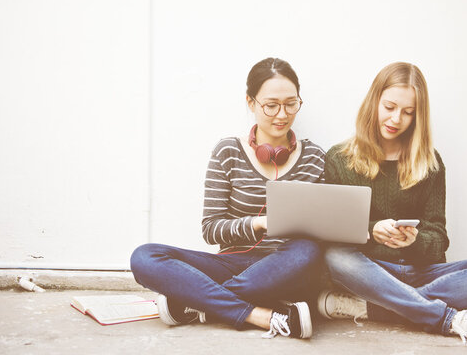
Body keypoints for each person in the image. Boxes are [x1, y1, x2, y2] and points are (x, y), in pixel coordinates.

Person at [317, 62, 467, 343]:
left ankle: (377, 309)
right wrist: (372, 230)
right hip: (372, 273)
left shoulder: (430, 163)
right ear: (374, 101)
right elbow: (333, 232)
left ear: (418, 116)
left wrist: (413, 241)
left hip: (423, 273)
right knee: (334, 257)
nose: (396, 119)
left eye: (408, 112)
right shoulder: (339, 158)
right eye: (389, 107)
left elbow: (439, 239)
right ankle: (447, 318)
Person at [130, 57, 326, 339]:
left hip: (286, 267)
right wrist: (258, 224)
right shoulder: (227, 152)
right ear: (251, 102)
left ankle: (195, 304)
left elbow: (324, 230)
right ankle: (263, 315)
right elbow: (210, 229)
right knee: (144, 257)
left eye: (291, 103)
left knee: (308, 250)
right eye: (271, 105)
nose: (282, 114)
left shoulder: (314, 157)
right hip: (231, 264)